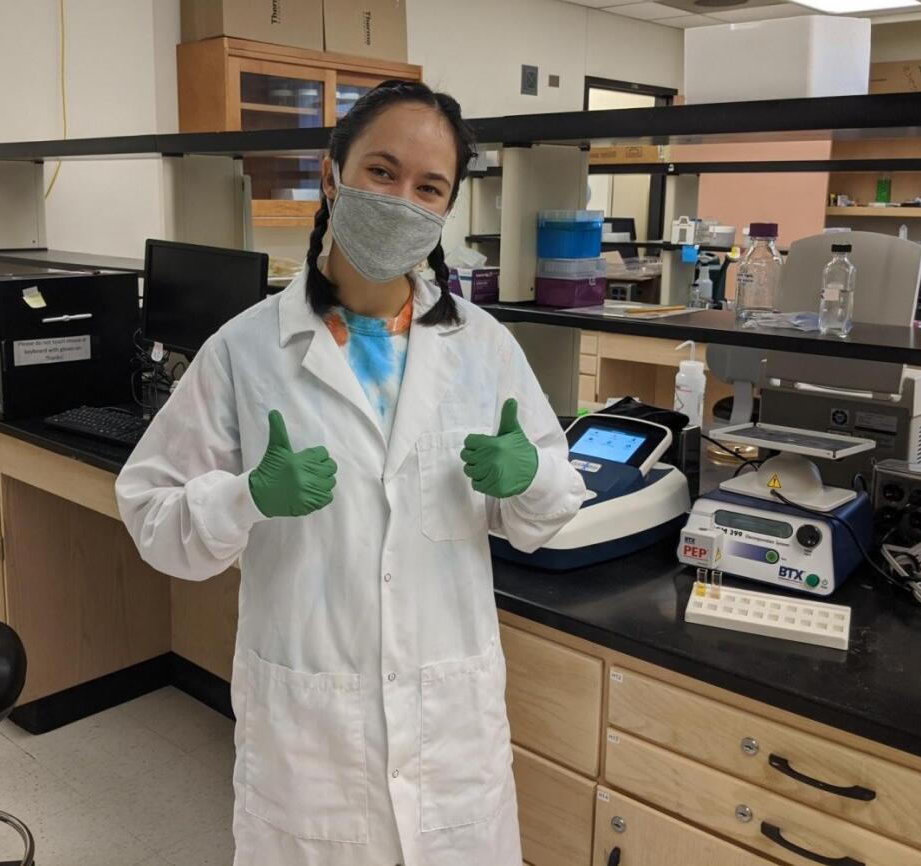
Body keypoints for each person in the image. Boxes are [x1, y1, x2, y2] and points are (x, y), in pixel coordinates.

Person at [116, 80, 584, 866]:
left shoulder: (485, 349)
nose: (402, 199)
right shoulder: (246, 348)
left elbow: (547, 515)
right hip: (313, 740)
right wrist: (245, 497)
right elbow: (154, 520)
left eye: (429, 186)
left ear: (445, 210)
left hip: (451, 739)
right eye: (381, 171)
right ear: (332, 175)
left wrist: (528, 475)